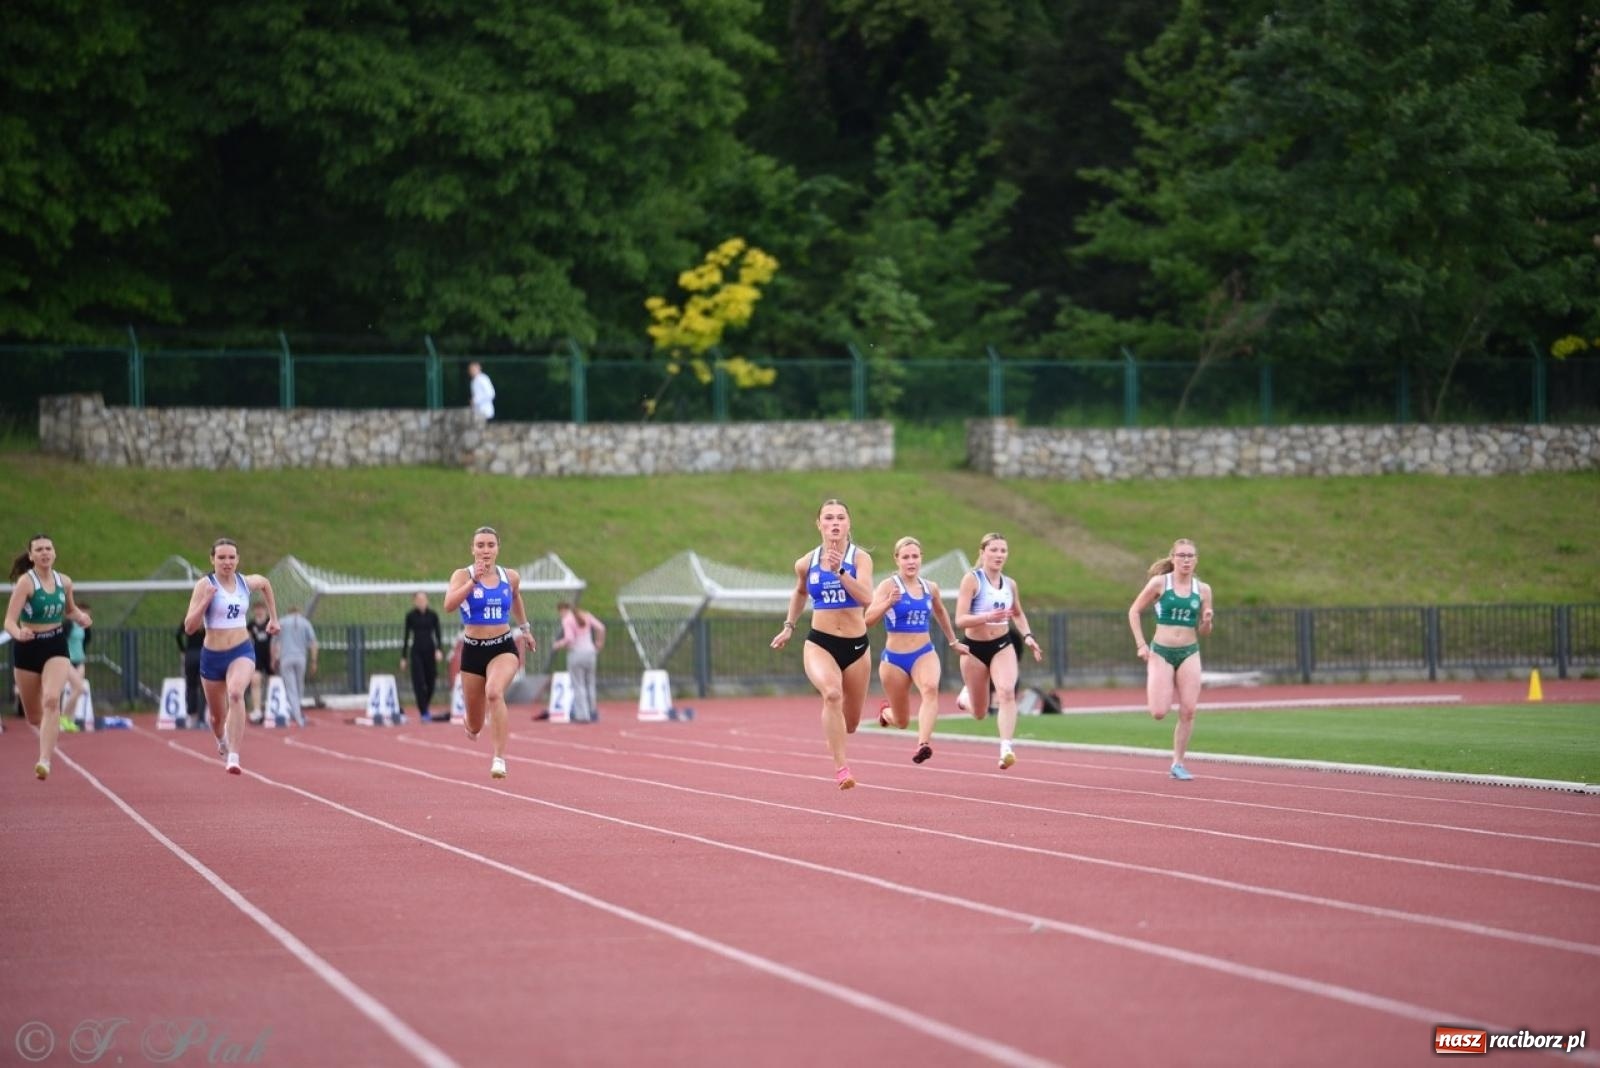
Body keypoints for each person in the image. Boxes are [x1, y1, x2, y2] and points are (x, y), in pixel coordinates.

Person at [771, 498, 875, 789]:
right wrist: (789, 626)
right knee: (831, 694)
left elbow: (868, 598)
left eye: (841, 518)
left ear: (848, 524)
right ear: (819, 524)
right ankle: (842, 770)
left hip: (856, 647)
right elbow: (800, 592)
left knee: (851, 724)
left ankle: (836, 735)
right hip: (820, 643)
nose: (835, 523)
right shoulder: (806, 562)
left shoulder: (860, 559)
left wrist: (840, 571)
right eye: (828, 518)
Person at [443, 526, 536, 779]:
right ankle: (471, 721)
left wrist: (525, 629)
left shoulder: (510, 577)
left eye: (490, 545)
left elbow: (516, 597)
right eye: (480, 545)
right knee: (474, 725)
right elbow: (449, 605)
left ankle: (499, 758)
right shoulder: (463, 575)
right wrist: (474, 582)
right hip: (473, 650)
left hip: (503, 647)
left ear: (498, 549)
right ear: (472, 549)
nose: (485, 550)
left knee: (494, 692)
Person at [864, 537, 965, 765]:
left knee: (930, 689)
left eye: (915, 556)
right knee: (901, 721)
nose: (911, 561)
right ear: (897, 559)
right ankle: (885, 714)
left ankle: (923, 744)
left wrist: (953, 641)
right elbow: (867, 620)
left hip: (924, 653)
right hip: (894, 661)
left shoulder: (930, 588)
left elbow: (940, 613)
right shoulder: (888, 586)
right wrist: (887, 603)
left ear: (921, 559)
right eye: (906, 557)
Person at [183, 538, 278, 774]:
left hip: (241, 650)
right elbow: (189, 627)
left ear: (238, 560)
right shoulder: (204, 585)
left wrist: (274, 619)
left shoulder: (245, 583)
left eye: (231, 557)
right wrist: (206, 600)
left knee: (236, 693)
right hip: (212, 657)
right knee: (217, 719)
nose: (227, 562)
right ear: (212, 559)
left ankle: (234, 756)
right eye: (222, 557)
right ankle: (222, 741)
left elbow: (265, 583)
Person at [4, 534, 93, 779]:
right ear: (31, 556)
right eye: (39, 549)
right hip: (28, 647)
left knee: (53, 699)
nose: (44, 553)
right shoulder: (26, 583)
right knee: (34, 717)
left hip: (55, 645)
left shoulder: (64, 582)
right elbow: (9, 621)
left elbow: (70, 610)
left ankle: (44, 760)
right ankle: (48, 725)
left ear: (54, 553)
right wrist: (18, 632)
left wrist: (80, 617)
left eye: (48, 548)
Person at [954, 532, 1043, 770]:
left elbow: (1018, 613)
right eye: (994, 550)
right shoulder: (972, 580)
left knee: (1006, 692)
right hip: (974, 649)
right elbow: (960, 620)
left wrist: (1028, 636)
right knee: (980, 713)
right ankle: (965, 698)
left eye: (1003, 551)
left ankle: (1006, 748)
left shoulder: (1010, 584)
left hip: (1002, 645)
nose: (999, 555)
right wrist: (986, 617)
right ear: (983, 552)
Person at [1128, 538, 1214, 781]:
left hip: (1189, 652)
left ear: (1196, 560)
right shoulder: (1160, 583)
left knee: (1189, 710)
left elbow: (1205, 631)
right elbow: (1134, 611)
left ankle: (1178, 763)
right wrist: (1141, 644)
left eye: (1190, 556)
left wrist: (1206, 620)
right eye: (1181, 555)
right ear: (1173, 558)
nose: (1186, 560)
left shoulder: (1203, 589)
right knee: (1158, 711)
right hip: (1161, 652)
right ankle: (1158, 686)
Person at [552, 600, 606, 723]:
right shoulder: (586, 615)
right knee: (590, 683)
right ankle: (592, 711)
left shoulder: (567, 620)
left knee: (578, 684)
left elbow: (569, 638)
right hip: (590, 652)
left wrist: (558, 644)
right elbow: (601, 628)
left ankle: (583, 714)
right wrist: (599, 643)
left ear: (562, 610)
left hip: (577, 653)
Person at [400, 591, 444, 721]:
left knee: (431, 681)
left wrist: (439, 650)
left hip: (430, 650)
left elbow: (438, 634)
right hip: (416, 652)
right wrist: (403, 657)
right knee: (418, 682)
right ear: (415, 601)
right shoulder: (410, 616)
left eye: (423, 599)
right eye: (419, 600)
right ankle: (424, 711)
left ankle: (425, 705)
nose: (421, 602)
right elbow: (406, 637)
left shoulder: (433, 616)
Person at [272, 605, 317, 728]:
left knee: (291, 688)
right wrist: (314, 661)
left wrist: (273, 659)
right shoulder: (305, 623)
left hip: (286, 657)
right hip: (301, 657)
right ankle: (297, 712)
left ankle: (297, 715)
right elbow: (313, 642)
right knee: (299, 686)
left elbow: (274, 643)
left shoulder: (282, 622)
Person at [61, 601, 93, 732]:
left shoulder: (84, 627)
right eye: (84, 613)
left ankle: (70, 720)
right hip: (68, 660)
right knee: (77, 688)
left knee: (77, 690)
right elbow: (61, 640)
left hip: (79, 660)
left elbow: (86, 641)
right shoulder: (68, 624)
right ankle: (62, 717)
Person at [246, 600, 274, 724]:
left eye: (261, 609)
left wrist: (276, 656)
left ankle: (271, 707)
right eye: (256, 609)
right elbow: (246, 639)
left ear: (265, 610)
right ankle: (257, 710)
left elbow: (277, 639)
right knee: (255, 680)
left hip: (270, 656)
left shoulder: (270, 622)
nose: (259, 611)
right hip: (257, 656)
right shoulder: (251, 625)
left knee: (272, 682)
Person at [176, 622, 205, 725]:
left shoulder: (188, 618)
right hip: (203, 654)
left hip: (190, 654)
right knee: (203, 688)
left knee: (191, 686)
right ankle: (201, 718)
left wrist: (183, 649)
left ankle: (192, 715)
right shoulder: (207, 619)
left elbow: (178, 634)